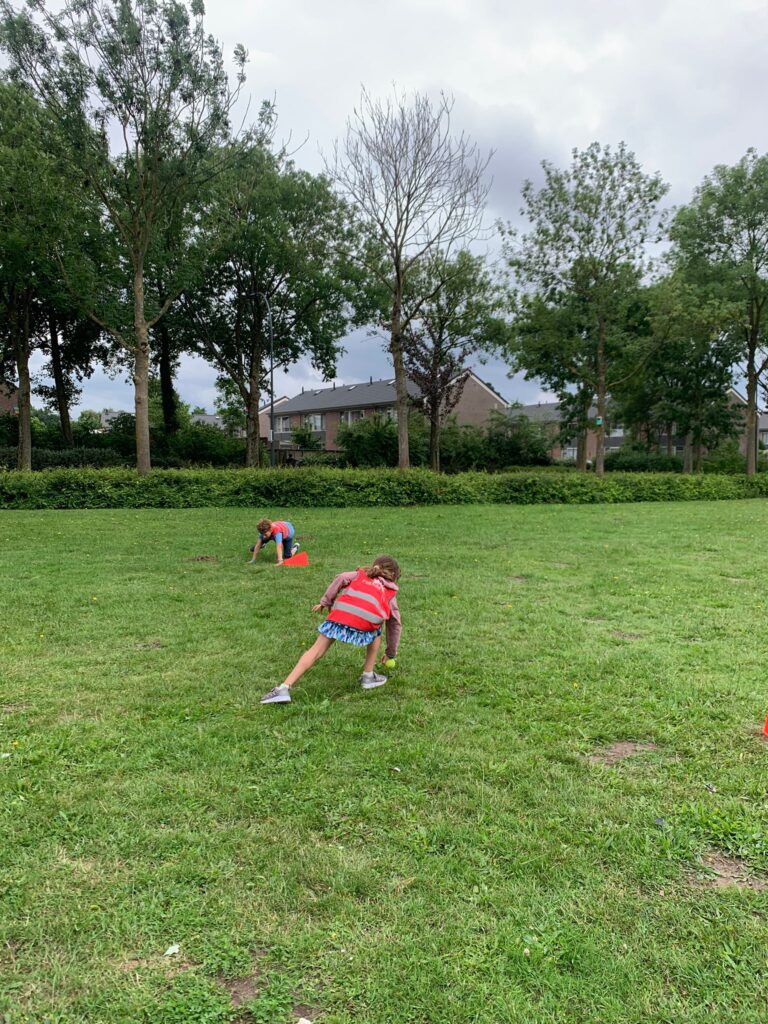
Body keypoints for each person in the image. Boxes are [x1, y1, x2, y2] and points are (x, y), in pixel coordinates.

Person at [260, 555, 402, 704]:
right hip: (366, 628)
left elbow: (341, 578)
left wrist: (326, 601)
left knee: (315, 651)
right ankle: (368, 676)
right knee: (376, 629)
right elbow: (395, 624)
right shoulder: (389, 593)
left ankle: (283, 688)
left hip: (339, 618)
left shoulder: (358, 575)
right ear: (393, 576)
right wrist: (390, 653)